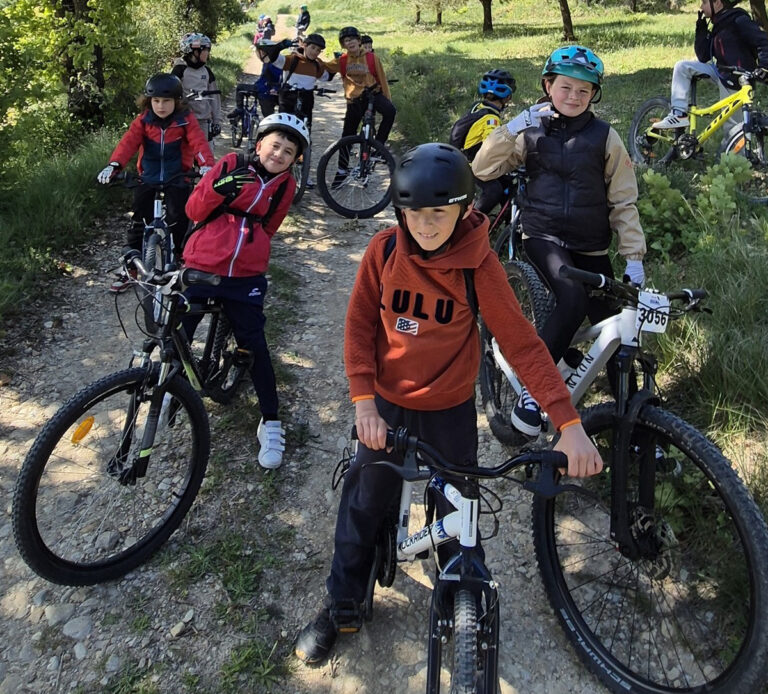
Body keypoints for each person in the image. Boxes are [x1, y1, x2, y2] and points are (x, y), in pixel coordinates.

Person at [293, 142, 603, 665]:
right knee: (364, 503)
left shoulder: (479, 267)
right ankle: (342, 601)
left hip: (450, 408)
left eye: (440, 212)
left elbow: (524, 346)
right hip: (386, 404)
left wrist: (567, 423)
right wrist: (363, 404)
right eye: (415, 212)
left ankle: (463, 594)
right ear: (399, 210)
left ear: (462, 210)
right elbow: (359, 328)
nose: (427, 224)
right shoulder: (383, 253)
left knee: (459, 509)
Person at [473, 45, 647, 437]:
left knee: (616, 327)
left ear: (593, 95)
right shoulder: (529, 130)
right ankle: (537, 391)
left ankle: (636, 425)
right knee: (572, 298)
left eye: (584, 91)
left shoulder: (606, 137)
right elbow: (482, 169)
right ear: (548, 86)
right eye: (566, 87)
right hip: (543, 236)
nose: (574, 97)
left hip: (591, 244)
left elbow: (623, 198)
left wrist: (632, 256)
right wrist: (514, 126)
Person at [181, 113, 309, 469]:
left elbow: (270, 226)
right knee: (180, 332)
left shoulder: (285, 185)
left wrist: (250, 250)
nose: (279, 154)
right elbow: (194, 209)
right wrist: (215, 189)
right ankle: (167, 398)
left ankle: (270, 420)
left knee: (254, 345)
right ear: (259, 145)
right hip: (203, 264)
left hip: (245, 276)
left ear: (295, 158)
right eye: (275, 146)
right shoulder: (232, 164)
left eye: (288, 151)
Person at [97, 73, 214, 294]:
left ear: (177, 101)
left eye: (167, 101)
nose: (161, 106)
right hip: (148, 177)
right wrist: (114, 165)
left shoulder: (185, 120)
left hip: (177, 176)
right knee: (138, 222)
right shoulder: (143, 121)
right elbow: (127, 144)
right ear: (149, 101)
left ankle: (181, 261)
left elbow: (198, 143)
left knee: (179, 219)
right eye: (156, 101)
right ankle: (131, 267)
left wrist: (207, 165)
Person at [652, 0, 768, 130]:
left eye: (704, 2)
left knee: (733, 130)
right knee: (682, 67)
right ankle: (678, 115)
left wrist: (764, 66)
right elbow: (703, 56)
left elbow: (763, 41)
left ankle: (732, 149)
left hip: (737, 78)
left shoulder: (738, 20)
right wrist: (701, 29)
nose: (701, 7)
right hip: (720, 71)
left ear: (718, 3)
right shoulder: (718, 24)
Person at [323, 26, 396, 186]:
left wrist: (387, 99)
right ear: (343, 45)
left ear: (359, 41)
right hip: (354, 101)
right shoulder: (342, 60)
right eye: (346, 41)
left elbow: (382, 79)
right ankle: (342, 171)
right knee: (347, 136)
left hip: (373, 95)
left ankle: (379, 146)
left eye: (353, 39)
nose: (351, 43)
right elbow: (324, 67)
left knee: (390, 111)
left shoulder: (371, 58)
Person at [449, 68, 516, 214]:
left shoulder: (478, 107)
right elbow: (493, 147)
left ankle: (501, 222)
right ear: (507, 97)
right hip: (472, 165)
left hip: (461, 159)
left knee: (506, 182)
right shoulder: (491, 119)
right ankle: (474, 223)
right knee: (494, 191)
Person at [256, 35, 334, 131]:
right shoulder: (292, 60)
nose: (315, 52)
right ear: (304, 45)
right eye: (313, 48)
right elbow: (273, 58)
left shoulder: (317, 65)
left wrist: (337, 63)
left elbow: (327, 77)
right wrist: (280, 46)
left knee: (305, 127)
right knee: (284, 126)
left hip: (306, 99)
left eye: (318, 50)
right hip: (288, 97)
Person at [172, 33, 222, 149]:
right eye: (206, 50)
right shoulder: (180, 70)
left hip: (202, 121)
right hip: (183, 120)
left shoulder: (207, 72)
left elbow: (215, 97)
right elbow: (171, 95)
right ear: (195, 51)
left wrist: (216, 121)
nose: (208, 53)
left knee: (206, 151)